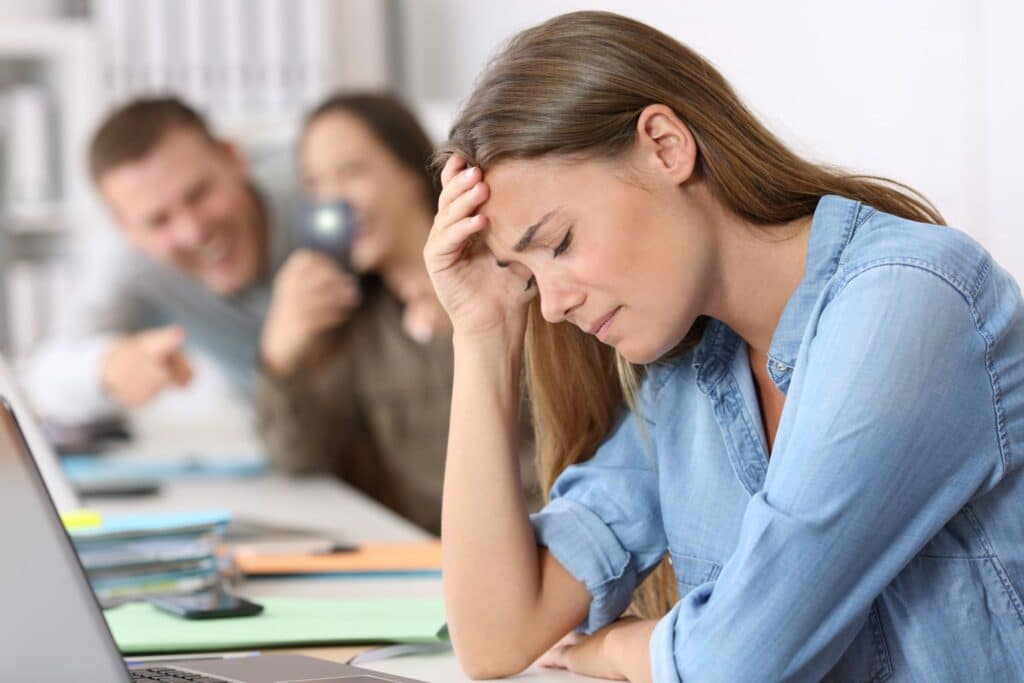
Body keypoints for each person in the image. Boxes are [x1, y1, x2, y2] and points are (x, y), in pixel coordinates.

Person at [425, 11, 1024, 682]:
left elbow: (739, 661)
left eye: (559, 243)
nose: (555, 304)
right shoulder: (688, 377)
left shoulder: (910, 300)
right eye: (529, 277)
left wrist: (620, 648)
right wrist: (482, 332)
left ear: (665, 144)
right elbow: (495, 636)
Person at [255, 93, 539, 535]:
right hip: (437, 560)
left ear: (411, 170)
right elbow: (296, 456)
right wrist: (280, 351)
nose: (333, 203)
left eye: (351, 172)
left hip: (550, 547)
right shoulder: (357, 322)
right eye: (314, 184)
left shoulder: (515, 272)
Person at [25, 97, 300, 424]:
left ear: (233, 157)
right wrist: (106, 366)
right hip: (288, 442)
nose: (193, 232)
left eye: (199, 194)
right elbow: (43, 378)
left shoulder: (317, 185)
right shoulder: (132, 264)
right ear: (125, 230)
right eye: (158, 221)